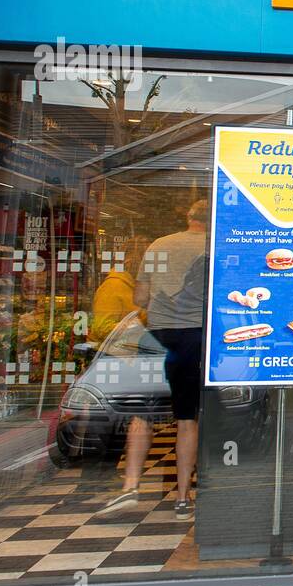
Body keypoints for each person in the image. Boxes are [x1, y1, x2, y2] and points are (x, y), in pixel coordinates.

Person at [99, 201, 209, 520]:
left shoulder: (159, 245)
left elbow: (140, 298)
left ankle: (130, 487)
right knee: (187, 417)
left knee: (142, 413)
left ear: (188, 217)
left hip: (157, 335)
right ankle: (183, 498)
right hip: (196, 336)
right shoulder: (213, 247)